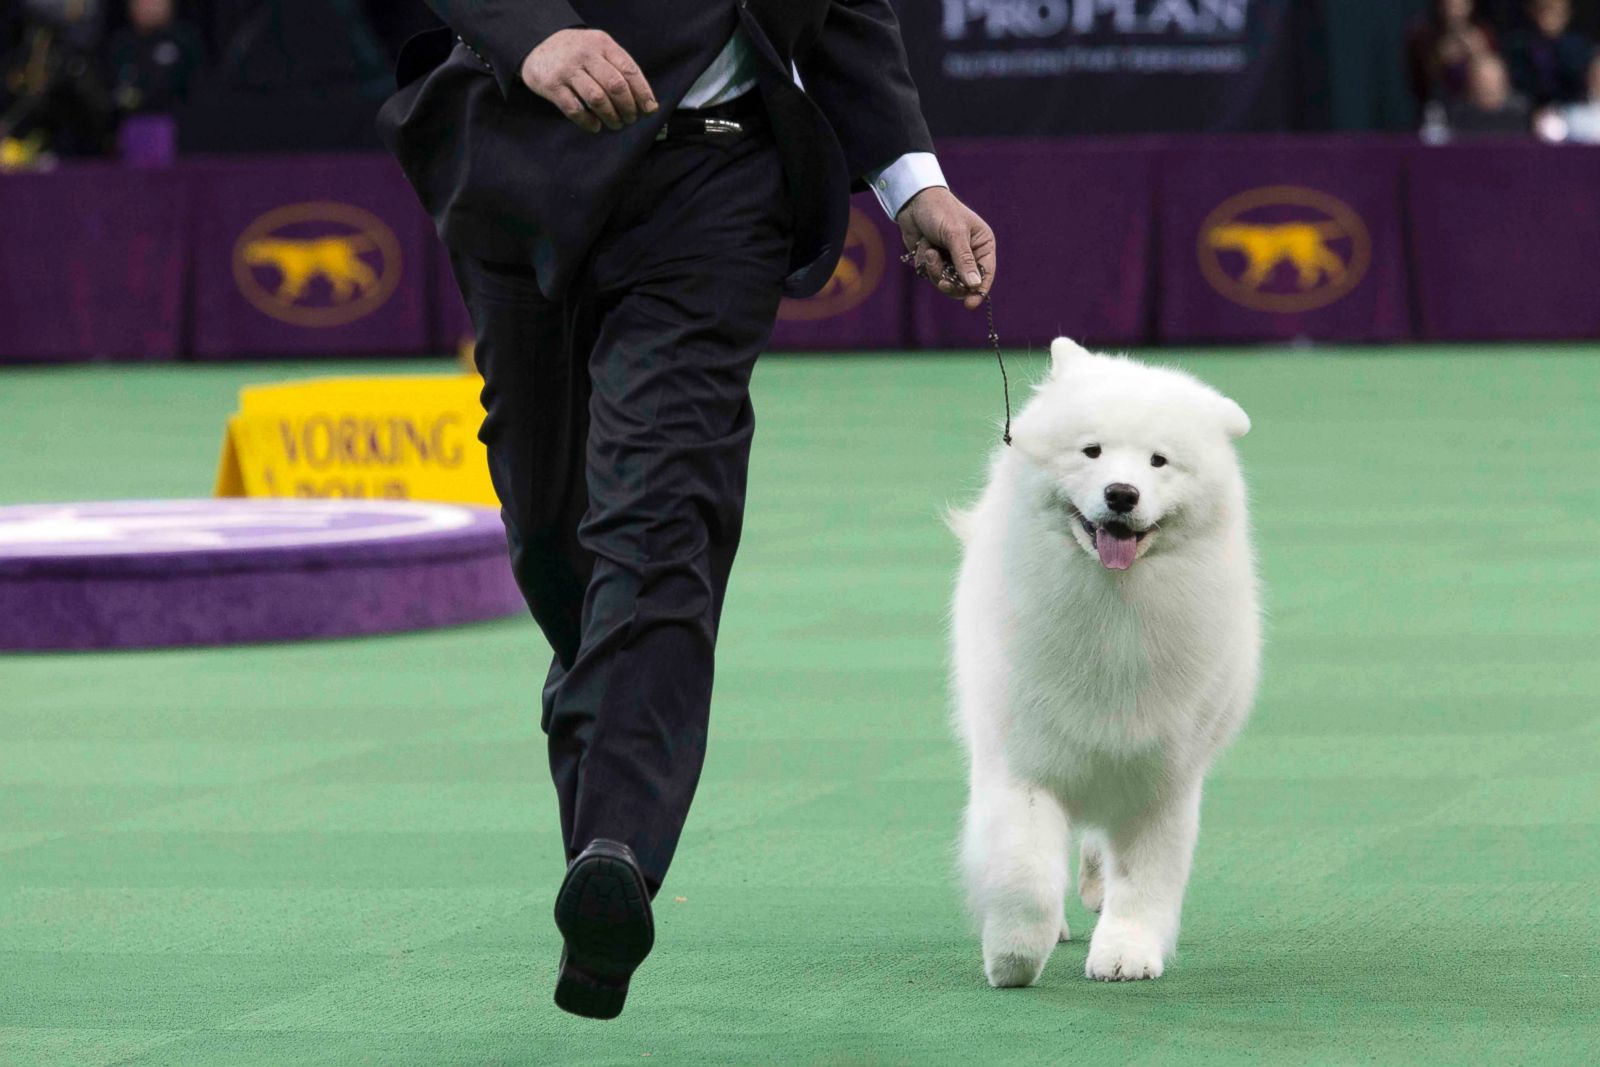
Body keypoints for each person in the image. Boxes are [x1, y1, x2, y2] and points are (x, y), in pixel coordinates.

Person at [377, 1, 995, 1021]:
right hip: (525, 154)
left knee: (660, 506)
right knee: (550, 533)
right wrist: (534, 34)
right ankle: (607, 819)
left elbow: (844, 13)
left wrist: (910, 180)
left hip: (720, 178)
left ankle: (616, 850)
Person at [106, 0, 204, 117]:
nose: (148, 7)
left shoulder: (185, 41)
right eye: (142, 2)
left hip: (178, 121)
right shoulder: (120, 44)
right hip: (126, 122)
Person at [1407, 0, 1499, 107]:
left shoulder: (1482, 34)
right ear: (1441, 6)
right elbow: (1420, 83)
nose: (1456, 10)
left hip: (1481, 106)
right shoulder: (1424, 37)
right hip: (1442, 107)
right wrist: (1440, 58)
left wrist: (1478, 53)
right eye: (1451, 4)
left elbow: (1496, 77)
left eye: (1461, 4)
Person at [1504, 0, 1595, 106]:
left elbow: (1578, 79)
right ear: (1533, 11)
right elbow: (1518, 81)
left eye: (1557, 11)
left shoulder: (1579, 46)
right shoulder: (1519, 44)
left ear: (1567, 14)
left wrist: (1557, 41)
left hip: (1571, 107)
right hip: (1528, 106)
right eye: (1545, 10)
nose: (1550, 16)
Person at [1446, 52, 1533, 134]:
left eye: (1493, 80)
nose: (1488, 86)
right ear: (1471, 82)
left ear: (1505, 81)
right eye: (1482, 80)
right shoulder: (1457, 115)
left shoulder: (1523, 112)